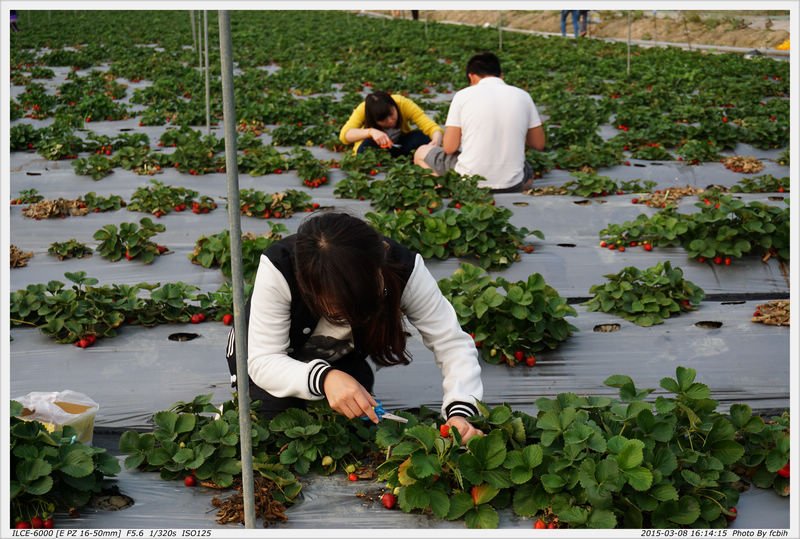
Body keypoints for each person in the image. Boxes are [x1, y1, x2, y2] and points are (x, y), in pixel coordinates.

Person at [226, 212, 484, 443]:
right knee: (275, 431)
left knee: (351, 427)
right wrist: (325, 378)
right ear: (308, 285)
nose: (349, 317)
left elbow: (451, 342)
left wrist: (460, 411)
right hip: (268, 362)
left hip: (338, 356)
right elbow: (263, 360)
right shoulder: (280, 268)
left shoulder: (404, 267)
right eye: (336, 310)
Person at [414, 52, 545, 193]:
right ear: (501, 75)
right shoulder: (523, 96)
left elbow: (449, 148)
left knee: (421, 152)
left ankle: (440, 185)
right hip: (513, 185)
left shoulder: (462, 96)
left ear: (471, 76)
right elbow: (538, 144)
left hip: (470, 183)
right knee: (527, 170)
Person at [339, 91, 443, 158]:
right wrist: (371, 132)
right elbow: (344, 136)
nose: (390, 121)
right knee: (365, 148)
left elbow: (430, 126)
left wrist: (436, 139)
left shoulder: (402, 103)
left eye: (391, 114)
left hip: (401, 144)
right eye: (382, 119)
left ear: (394, 106)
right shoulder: (363, 109)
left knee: (421, 137)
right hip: (379, 148)